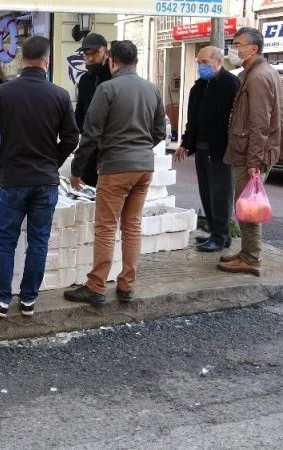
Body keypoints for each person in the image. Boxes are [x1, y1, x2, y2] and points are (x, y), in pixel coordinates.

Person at [0, 36, 80, 318]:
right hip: (46, 180)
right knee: (39, 241)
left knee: (7, 240)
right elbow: (71, 137)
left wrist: (0, 162)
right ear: (46, 60)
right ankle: (28, 300)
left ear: (22, 59)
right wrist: (54, 162)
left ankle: (0, 300)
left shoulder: (2, 93)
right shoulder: (59, 95)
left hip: (13, 178)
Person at [64, 41, 167, 306]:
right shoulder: (152, 89)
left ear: (111, 61)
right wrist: (140, 148)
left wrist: (77, 169)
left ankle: (96, 286)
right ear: (135, 60)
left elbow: (91, 134)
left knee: (107, 227)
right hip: (144, 167)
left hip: (116, 166)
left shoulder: (107, 88)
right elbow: (159, 132)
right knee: (132, 226)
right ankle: (126, 285)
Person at [218, 27, 283, 276]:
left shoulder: (259, 76)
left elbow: (260, 122)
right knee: (246, 203)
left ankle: (251, 258)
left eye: (238, 44)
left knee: (249, 205)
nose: (234, 48)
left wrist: (255, 161)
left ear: (253, 48)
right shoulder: (256, 72)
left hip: (250, 153)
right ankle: (247, 252)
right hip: (248, 150)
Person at [174, 46, 239, 253]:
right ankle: (215, 233)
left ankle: (221, 236)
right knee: (206, 192)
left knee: (221, 193)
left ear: (218, 61)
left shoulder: (231, 84)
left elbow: (235, 119)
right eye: (199, 63)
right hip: (201, 147)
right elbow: (192, 120)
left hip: (221, 149)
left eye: (205, 62)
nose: (201, 66)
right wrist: (185, 143)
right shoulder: (199, 87)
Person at [73, 33, 112, 188]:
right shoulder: (85, 79)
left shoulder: (113, 77)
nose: (89, 58)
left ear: (105, 52)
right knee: (87, 187)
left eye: (94, 53)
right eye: (86, 54)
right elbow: (80, 110)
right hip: (89, 143)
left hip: (109, 145)